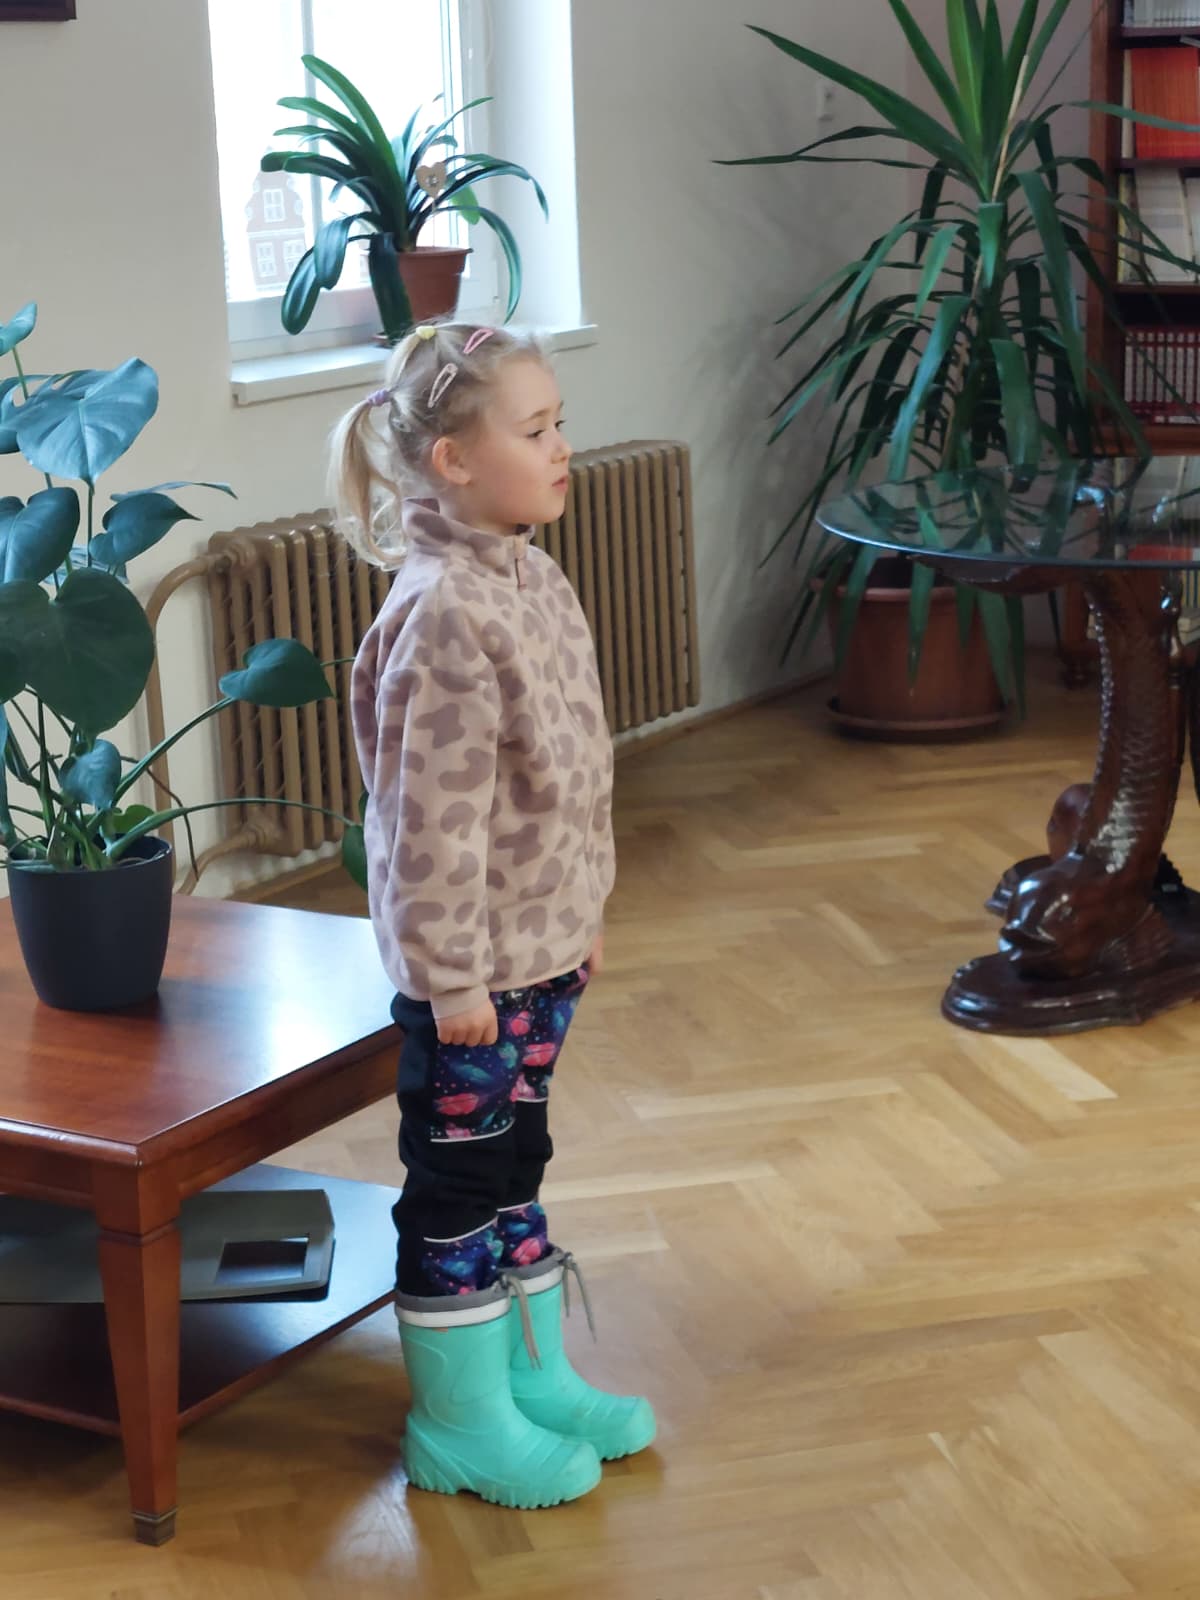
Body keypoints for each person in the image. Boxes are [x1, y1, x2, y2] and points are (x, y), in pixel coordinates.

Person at [330, 320, 655, 1510]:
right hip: (474, 983)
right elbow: (431, 824)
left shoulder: (533, 577)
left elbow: (571, 772)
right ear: (453, 461)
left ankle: (530, 1376)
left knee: (518, 1160)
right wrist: (453, 975)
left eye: (561, 422)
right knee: (457, 1184)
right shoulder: (444, 616)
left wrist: (580, 913)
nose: (563, 447)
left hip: (541, 955)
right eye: (535, 430)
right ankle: (459, 1420)